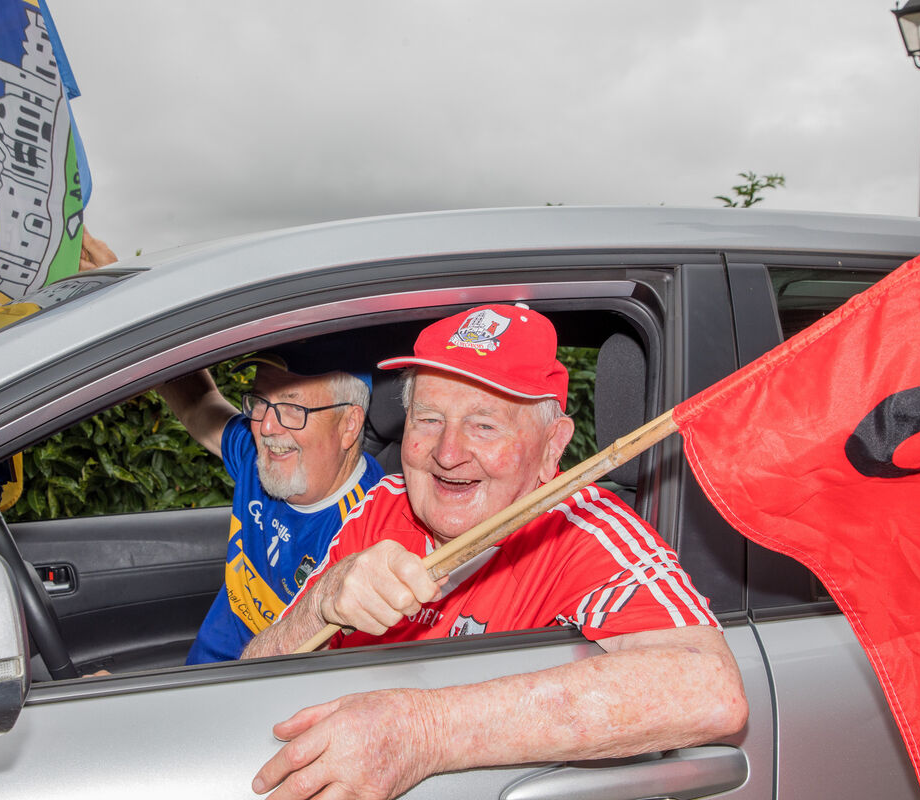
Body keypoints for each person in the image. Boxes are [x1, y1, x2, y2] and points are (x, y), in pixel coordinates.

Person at [242, 303, 748, 800]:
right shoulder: (381, 505)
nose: (447, 452)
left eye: (484, 425)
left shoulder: (585, 529)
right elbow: (250, 675)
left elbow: (709, 688)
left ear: (553, 446)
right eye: (429, 419)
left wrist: (424, 732)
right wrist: (322, 601)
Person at [164, 347, 386, 664]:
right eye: (260, 402)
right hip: (201, 676)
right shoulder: (259, 459)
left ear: (349, 424)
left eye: (293, 408)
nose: (266, 427)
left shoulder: (370, 532)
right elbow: (197, 406)